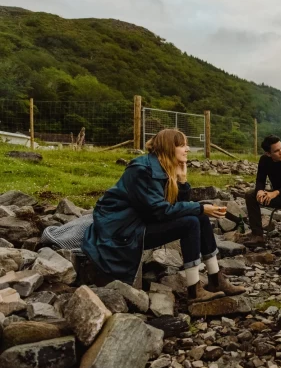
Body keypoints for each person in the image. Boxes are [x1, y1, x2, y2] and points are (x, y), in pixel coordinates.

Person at [82, 129, 244, 303]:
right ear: (169, 147)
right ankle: (194, 290)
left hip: (140, 222)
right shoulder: (141, 170)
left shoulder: (162, 167)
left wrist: (182, 181)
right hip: (122, 231)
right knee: (191, 221)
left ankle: (215, 280)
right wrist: (199, 207)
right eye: (182, 145)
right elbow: (161, 211)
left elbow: (175, 206)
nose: (187, 149)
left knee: (200, 217)